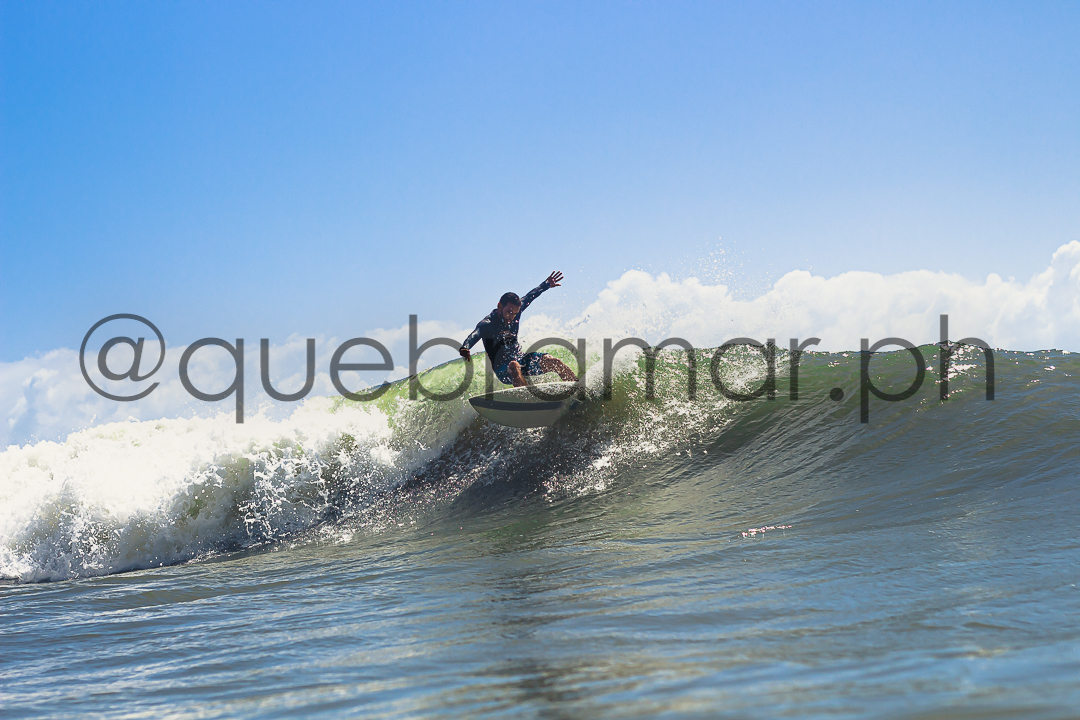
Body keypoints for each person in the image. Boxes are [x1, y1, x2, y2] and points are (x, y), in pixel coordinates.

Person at [459, 271, 579, 387]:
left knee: (552, 361)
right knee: (514, 366)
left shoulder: (516, 312)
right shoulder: (487, 324)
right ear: (499, 306)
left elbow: (530, 296)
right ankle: (526, 397)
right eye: (509, 312)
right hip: (503, 369)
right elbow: (475, 334)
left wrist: (546, 284)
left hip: (522, 359)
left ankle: (577, 388)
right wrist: (465, 347)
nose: (512, 317)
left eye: (515, 313)